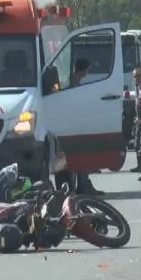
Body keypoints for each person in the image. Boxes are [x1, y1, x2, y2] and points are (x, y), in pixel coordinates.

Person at [53, 59, 104, 195]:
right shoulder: (72, 82)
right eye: (88, 69)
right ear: (84, 69)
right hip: (70, 123)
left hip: (73, 121)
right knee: (75, 156)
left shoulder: (73, 81)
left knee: (78, 156)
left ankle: (82, 185)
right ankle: (79, 186)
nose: (88, 72)